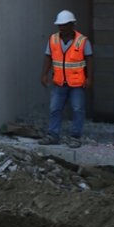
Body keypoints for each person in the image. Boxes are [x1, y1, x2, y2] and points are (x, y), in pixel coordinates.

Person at [39, 10, 93, 148]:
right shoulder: (53, 39)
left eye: (64, 25)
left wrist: (89, 78)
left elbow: (89, 59)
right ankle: (53, 135)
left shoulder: (82, 41)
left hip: (77, 82)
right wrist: (44, 74)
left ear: (72, 25)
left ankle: (75, 137)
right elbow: (48, 57)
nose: (61, 28)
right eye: (60, 25)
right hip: (59, 81)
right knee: (55, 108)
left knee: (77, 108)